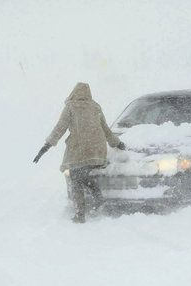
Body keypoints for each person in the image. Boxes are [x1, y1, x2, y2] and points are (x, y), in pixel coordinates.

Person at [33, 82, 126, 223]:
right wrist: (117, 143)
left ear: (74, 93)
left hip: (80, 150)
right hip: (97, 150)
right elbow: (106, 130)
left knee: (75, 179)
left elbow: (60, 128)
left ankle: (80, 215)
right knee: (83, 175)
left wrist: (45, 147)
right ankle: (98, 198)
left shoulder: (70, 107)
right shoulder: (95, 107)